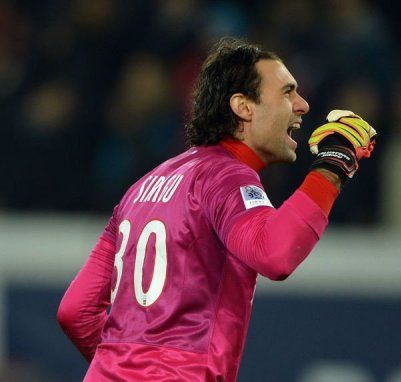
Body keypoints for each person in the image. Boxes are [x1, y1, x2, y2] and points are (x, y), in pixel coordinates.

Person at [57, 37, 376, 381]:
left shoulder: (142, 187)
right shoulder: (228, 177)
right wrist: (333, 166)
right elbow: (276, 254)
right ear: (243, 106)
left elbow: (76, 311)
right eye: (287, 92)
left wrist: (125, 369)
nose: (302, 104)